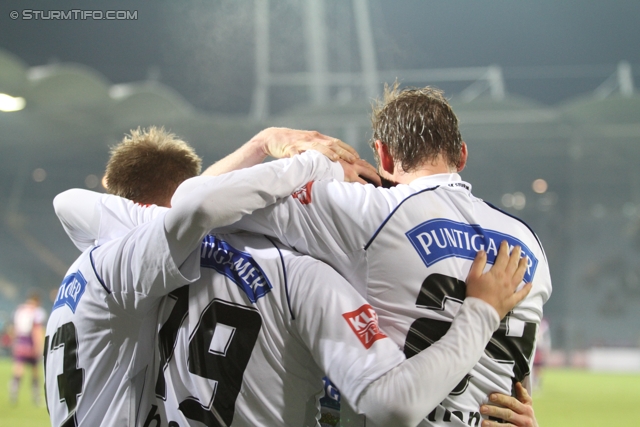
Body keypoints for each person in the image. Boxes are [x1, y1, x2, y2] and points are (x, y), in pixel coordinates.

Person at [53, 127, 537, 426]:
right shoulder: (304, 277)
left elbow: (187, 207)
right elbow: (391, 403)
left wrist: (273, 149)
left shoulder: (106, 263)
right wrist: (482, 314)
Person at [186, 84, 552, 427]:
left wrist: (273, 146)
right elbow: (519, 390)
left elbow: (197, 203)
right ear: (461, 155)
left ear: (383, 154)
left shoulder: (368, 211)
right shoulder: (528, 242)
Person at [44, 127, 354, 427]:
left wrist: (257, 149)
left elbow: (188, 211)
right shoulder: (123, 266)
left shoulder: (91, 262)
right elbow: (196, 210)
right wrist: (316, 164)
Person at [9, 291, 47, 405]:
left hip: (20, 340)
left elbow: (14, 328)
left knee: (19, 367)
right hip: (30, 341)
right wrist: (38, 346)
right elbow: (36, 330)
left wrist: (14, 343)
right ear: (37, 301)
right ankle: (36, 396)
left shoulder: (20, 310)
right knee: (35, 370)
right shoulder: (36, 312)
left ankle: (14, 390)